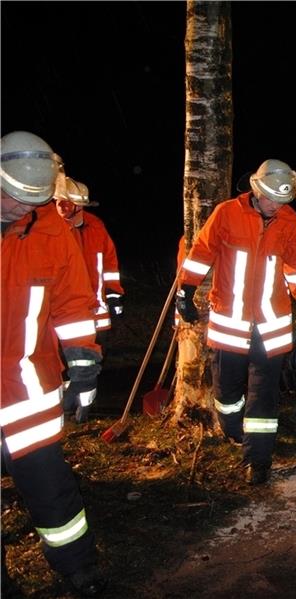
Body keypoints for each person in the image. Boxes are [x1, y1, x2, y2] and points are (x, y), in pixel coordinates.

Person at [1, 131, 106, 596]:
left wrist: (84, 365)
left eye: (32, 202)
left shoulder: (53, 233)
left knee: (52, 490)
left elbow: (73, 304)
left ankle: (78, 568)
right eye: (13, 198)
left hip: (30, 393)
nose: (21, 210)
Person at [175, 159, 296, 485]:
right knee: (226, 392)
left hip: (272, 325)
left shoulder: (289, 221)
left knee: (264, 395)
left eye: (282, 200)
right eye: (271, 199)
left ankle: (258, 461)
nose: (276, 206)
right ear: (256, 190)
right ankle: (234, 429)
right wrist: (186, 291)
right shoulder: (226, 213)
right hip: (229, 322)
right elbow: (202, 251)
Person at [54, 174, 125, 422]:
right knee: (61, 361)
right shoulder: (52, 229)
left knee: (90, 361)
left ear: (79, 205)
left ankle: (85, 409)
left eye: (66, 203)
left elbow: (109, 262)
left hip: (96, 308)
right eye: (58, 202)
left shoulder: (96, 227)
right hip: (63, 311)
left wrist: (115, 293)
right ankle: (61, 407)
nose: (61, 207)